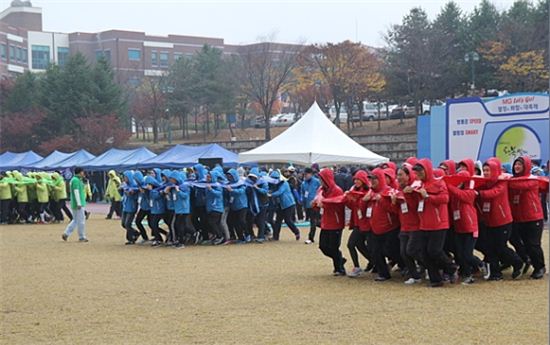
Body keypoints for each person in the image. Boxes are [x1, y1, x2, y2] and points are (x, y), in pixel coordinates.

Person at [411, 159, 455, 287]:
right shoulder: (419, 184)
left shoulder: (438, 182)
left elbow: (445, 198)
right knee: (425, 254)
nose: (417, 174)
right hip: (424, 223)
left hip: (438, 223)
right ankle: (435, 279)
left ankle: (451, 267)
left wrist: (428, 197)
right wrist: (409, 194)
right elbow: (414, 203)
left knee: (434, 250)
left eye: (419, 171)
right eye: (416, 171)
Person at [477, 158, 523, 281]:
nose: (486, 172)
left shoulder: (502, 182)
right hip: (488, 221)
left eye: (488, 170)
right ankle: (495, 273)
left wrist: (478, 193)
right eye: (484, 170)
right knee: (490, 247)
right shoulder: (483, 183)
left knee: (500, 246)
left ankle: (517, 262)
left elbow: (494, 192)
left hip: (503, 221)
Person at [508, 156, 546, 279]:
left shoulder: (532, 180)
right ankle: (529, 260)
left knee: (533, 244)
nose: (517, 167)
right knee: (522, 243)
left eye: (520, 165)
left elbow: (521, 186)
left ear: (526, 166)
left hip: (533, 218)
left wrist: (507, 181)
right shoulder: (512, 180)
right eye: (515, 165)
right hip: (519, 219)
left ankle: (540, 267)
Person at [447, 164, 482, 285]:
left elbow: (464, 196)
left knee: (467, 254)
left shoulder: (470, 191)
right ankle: (468, 274)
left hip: (470, 227)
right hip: (459, 227)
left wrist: (449, 186)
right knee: (461, 254)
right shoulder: (455, 190)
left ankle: (480, 265)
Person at [364, 168, 400, 282]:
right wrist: (364, 201)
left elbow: (394, 210)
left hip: (389, 228)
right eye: (371, 178)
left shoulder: (390, 191)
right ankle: (383, 273)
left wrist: (382, 201)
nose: (373, 181)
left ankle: (404, 267)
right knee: (375, 251)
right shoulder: (370, 192)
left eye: (375, 178)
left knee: (391, 250)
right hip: (375, 228)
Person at [392, 164, 422, 285]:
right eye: (397, 175)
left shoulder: (414, 188)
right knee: (404, 252)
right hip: (404, 226)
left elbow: (417, 206)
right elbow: (396, 211)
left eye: (401, 175)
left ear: (408, 175)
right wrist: (394, 202)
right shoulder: (398, 190)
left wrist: (408, 196)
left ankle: (430, 267)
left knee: (411, 250)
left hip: (415, 225)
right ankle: (415, 276)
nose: (398, 177)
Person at [316, 168, 346, 276]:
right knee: (323, 246)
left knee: (333, 247)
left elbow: (338, 203)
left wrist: (323, 202)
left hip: (335, 223)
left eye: (322, 179)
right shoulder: (322, 190)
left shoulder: (337, 190)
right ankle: (340, 260)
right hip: (326, 222)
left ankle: (339, 268)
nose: (320, 181)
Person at [345, 170, 371, 277]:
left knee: (355, 244)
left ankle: (373, 262)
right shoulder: (354, 190)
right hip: (358, 222)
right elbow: (353, 207)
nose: (356, 181)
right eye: (355, 179)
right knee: (355, 244)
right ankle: (371, 262)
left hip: (366, 223)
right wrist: (349, 200)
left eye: (358, 179)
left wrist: (359, 200)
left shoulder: (368, 191)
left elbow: (366, 207)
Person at [269, 170, 301, 241]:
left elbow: (280, 192)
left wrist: (271, 194)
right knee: (278, 221)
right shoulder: (276, 185)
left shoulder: (284, 183)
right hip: (280, 205)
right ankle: (275, 237)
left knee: (288, 220)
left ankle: (296, 232)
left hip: (289, 204)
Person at [61, 167, 88, 242]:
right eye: (82, 172)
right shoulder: (76, 180)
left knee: (75, 220)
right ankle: (81, 236)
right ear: (80, 172)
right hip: (78, 203)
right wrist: (79, 203)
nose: (83, 174)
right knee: (81, 221)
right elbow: (76, 191)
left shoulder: (76, 180)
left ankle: (66, 233)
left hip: (75, 203)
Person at [301, 167, 321, 244]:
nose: (305, 175)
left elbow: (320, 191)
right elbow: (302, 193)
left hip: (315, 205)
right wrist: (303, 203)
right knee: (315, 221)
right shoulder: (303, 183)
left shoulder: (316, 182)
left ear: (311, 174)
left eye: (307, 174)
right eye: (304, 174)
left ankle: (311, 237)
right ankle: (326, 227)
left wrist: (317, 200)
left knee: (313, 221)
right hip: (307, 205)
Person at [121, 171, 140, 245]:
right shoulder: (125, 185)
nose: (124, 179)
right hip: (125, 207)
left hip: (131, 207)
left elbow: (135, 195)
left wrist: (131, 192)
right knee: (123, 224)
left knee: (127, 224)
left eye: (126, 177)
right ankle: (136, 233)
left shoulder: (134, 186)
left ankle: (130, 239)